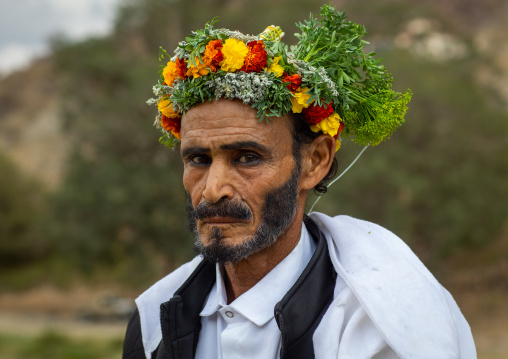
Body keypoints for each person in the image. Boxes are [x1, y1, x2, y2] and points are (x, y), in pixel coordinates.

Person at [122, 4, 476, 359]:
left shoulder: (373, 325)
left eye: (247, 158)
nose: (213, 189)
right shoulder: (153, 320)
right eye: (198, 159)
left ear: (315, 161)